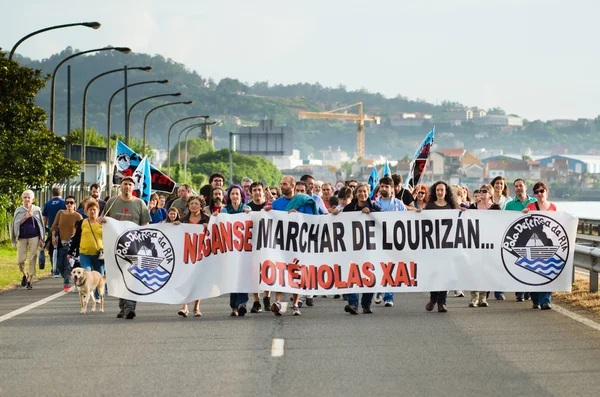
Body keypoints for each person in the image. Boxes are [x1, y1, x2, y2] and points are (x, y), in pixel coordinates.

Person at [264, 175, 318, 316]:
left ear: (292, 186)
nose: (282, 186)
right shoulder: (277, 204)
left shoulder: (305, 201)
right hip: (281, 243)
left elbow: (312, 221)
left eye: (285, 184)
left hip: (299, 243)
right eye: (281, 184)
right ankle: (277, 301)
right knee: (280, 271)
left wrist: (298, 215)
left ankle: (295, 304)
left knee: (297, 273)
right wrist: (266, 213)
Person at [99, 176, 151, 320]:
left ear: (133, 187)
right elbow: (103, 220)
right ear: (120, 186)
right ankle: (123, 307)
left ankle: (130, 307)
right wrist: (102, 221)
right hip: (115, 246)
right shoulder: (112, 202)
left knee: (131, 276)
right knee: (118, 277)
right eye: (125, 184)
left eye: (129, 184)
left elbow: (144, 226)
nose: (127, 186)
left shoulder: (140, 204)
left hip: (133, 247)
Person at [336, 183, 381, 315]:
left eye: (365, 191)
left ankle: (366, 304)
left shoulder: (374, 207)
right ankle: (353, 304)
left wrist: (371, 213)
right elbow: (342, 223)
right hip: (352, 247)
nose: (362, 194)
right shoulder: (349, 208)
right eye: (360, 191)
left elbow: (383, 221)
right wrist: (334, 215)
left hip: (370, 248)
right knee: (352, 275)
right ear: (356, 194)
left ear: (368, 193)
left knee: (369, 275)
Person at [416, 181, 459, 313]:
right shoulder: (430, 206)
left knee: (445, 273)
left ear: (446, 192)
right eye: (438, 190)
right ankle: (433, 298)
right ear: (435, 192)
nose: (440, 192)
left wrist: (462, 210)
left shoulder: (452, 206)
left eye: (442, 190)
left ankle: (442, 302)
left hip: (448, 246)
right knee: (434, 273)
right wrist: (418, 213)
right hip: (433, 246)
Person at [523, 181, 557, 310]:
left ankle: (545, 300)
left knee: (547, 273)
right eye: (536, 192)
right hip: (533, 244)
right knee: (534, 273)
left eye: (541, 191)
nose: (539, 193)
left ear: (546, 192)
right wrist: (524, 213)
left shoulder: (553, 207)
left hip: (548, 243)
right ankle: (535, 298)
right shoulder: (531, 206)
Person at [218, 185, 252, 316]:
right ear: (229, 196)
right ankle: (234, 306)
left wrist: (249, 215)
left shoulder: (247, 209)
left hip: (244, 249)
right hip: (230, 250)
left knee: (243, 276)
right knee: (233, 277)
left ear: (241, 195)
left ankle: (242, 302)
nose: (235, 196)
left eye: (237, 194)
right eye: (232, 194)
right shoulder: (225, 210)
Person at [374, 176, 407, 307]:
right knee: (379, 266)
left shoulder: (398, 205)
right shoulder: (374, 203)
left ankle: (389, 296)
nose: (384, 188)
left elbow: (407, 221)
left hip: (393, 241)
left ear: (392, 189)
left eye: (386, 186)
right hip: (377, 241)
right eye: (382, 186)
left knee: (392, 268)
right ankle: (379, 290)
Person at [467, 184, 501, 308]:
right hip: (474, 242)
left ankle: (483, 297)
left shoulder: (496, 208)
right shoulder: (472, 207)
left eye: (484, 191)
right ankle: (474, 296)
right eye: (480, 191)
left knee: (486, 270)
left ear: (491, 194)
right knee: (474, 269)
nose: (481, 193)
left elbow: (501, 223)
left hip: (489, 243)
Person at [177, 196, 210, 317]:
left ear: (201, 207)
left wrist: (209, 227)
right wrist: (175, 226)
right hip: (186, 254)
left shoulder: (207, 219)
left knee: (198, 281)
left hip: (202, 254)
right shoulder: (183, 220)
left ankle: (196, 307)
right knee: (185, 280)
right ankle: (184, 306)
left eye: (196, 204)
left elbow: (214, 234)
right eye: (191, 204)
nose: (194, 206)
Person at [505, 178, 537, 302]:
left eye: (520, 185)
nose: (518, 188)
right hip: (517, 239)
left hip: (533, 239)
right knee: (519, 266)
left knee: (531, 266)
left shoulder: (534, 202)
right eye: (516, 186)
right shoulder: (509, 205)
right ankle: (519, 292)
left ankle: (529, 290)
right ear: (514, 189)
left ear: (525, 187)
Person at [68, 200, 104, 300]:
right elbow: (76, 238)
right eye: (90, 210)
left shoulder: (102, 223)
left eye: (94, 210)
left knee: (99, 276)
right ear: (86, 212)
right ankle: (85, 294)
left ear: (98, 211)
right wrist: (70, 252)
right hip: (84, 253)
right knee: (85, 274)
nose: (92, 212)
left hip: (98, 254)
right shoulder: (82, 223)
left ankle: (98, 297)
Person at [10, 190, 44, 290]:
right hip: (22, 237)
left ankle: (30, 279)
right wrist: (26, 217)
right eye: (25, 197)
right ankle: (25, 274)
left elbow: (40, 225)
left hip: (34, 236)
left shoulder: (37, 210)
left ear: (32, 199)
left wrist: (42, 238)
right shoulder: (19, 210)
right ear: (22, 199)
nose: (27, 199)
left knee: (32, 257)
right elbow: (16, 224)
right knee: (20, 260)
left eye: (29, 197)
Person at [51, 195, 82, 292]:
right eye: (67, 203)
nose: (69, 204)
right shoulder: (60, 213)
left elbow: (81, 230)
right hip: (60, 244)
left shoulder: (78, 216)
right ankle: (69, 278)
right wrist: (52, 236)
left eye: (71, 203)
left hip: (71, 245)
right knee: (59, 265)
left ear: (75, 204)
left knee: (68, 266)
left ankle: (66, 284)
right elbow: (54, 226)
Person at [42, 186, 66, 277]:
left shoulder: (47, 204)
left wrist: (44, 228)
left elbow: (44, 217)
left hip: (52, 229)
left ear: (52, 193)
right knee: (62, 249)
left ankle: (54, 269)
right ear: (61, 193)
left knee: (52, 250)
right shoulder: (64, 203)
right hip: (63, 229)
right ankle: (62, 268)